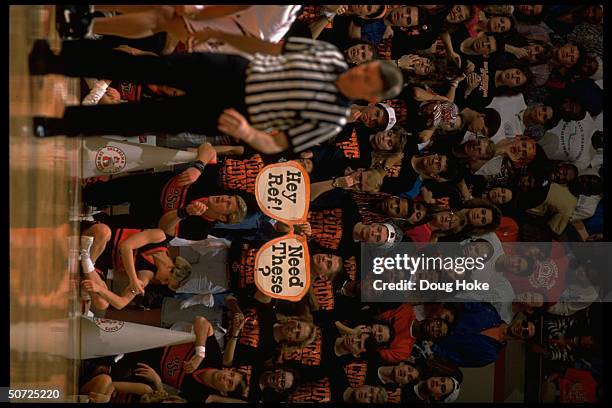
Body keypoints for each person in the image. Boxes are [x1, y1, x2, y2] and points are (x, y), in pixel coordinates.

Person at [29, 34, 403, 154]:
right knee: (145, 67)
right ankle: (56, 60)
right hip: (235, 69)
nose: (361, 73)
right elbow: (271, 47)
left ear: (370, 98)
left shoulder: (333, 119)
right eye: (367, 68)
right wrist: (222, 40)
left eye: (369, 81)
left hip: (236, 111)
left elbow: (277, 143)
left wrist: (245, 134)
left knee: (146, 118)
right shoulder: (328, 53)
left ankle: (60, 125)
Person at [79, 223, 192, 310]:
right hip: (102, 239)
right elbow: (126, 247)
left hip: (100, 263)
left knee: (102, 303)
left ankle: (85, 261)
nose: (162, 282)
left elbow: (121, 303)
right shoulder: (159, 237)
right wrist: (133, 279)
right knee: (104, 231)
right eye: (167, 280)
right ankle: (86, 263)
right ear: (171, 268)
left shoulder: (147, 275)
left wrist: (99, 289)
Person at [432, 302, 536, 367]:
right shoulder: (490, 311)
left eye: (525, 332)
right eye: (524, 324)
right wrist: (447, 310)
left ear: (522, 339)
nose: (522, 328)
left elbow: (457, 359)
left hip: (431, 344)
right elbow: (463, 304)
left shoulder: (490, 355)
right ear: (520, 320)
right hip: (433, 317)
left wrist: (433, 348)